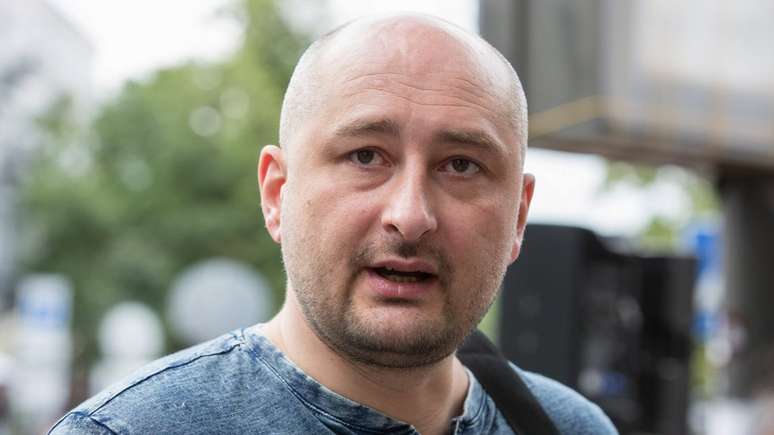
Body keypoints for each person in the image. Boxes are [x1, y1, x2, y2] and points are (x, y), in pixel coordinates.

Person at [49, 13, 617, 435]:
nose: (410, 216)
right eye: (366, 156)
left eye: (461, 165)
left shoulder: (570, 427)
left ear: (518, 216)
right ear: (277, 193)